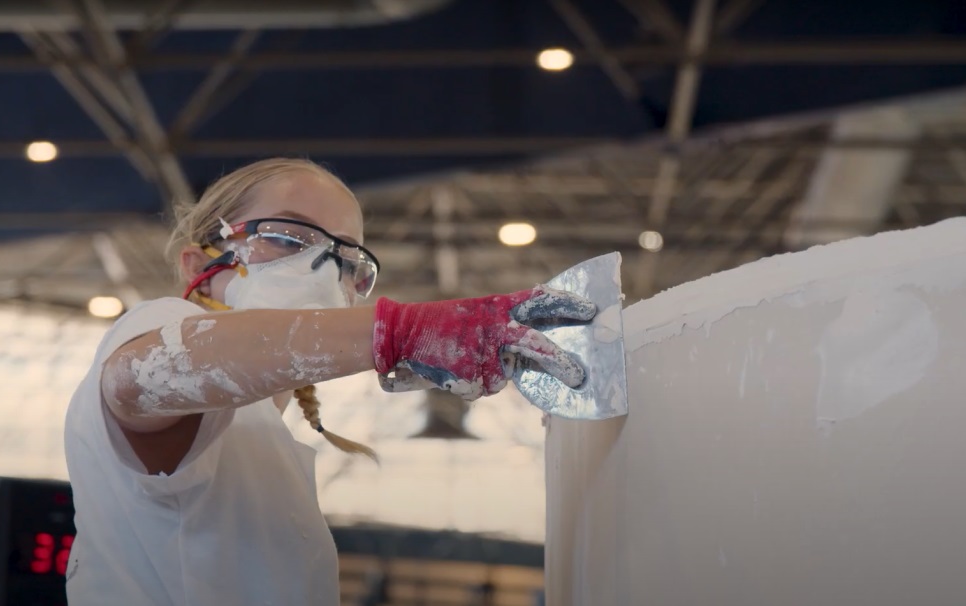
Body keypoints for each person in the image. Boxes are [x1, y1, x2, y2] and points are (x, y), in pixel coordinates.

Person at [63, 158, 595, 605]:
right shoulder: (155, 326)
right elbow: (140, 379)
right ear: (201, 264)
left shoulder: (261, 442)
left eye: (348, 260)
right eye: (287, 237)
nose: (323, 270)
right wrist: (402, 332)